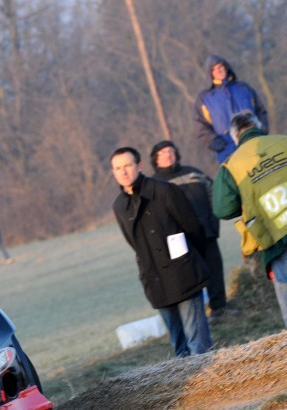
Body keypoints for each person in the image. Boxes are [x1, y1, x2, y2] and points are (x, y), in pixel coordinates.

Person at [110, 147, 212, 357]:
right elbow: (134, 243)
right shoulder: (119, 205)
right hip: (155, 279)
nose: (124, 172)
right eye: (118, 168)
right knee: (179, 347)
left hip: (183, 274)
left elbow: (193, 227)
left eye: (128, 165)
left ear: (139, 166)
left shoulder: (164, 191)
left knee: (198, 344)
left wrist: (189, 260)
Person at [212, 111, 287, 328]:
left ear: (235, 138)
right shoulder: (283, 141)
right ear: (259, 125)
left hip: (276, 240)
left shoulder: (231, 165)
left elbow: (223, 208)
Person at [149, 140, 228, 318]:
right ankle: (197, 315)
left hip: (206, 232)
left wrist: (213, 222)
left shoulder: (194, 173)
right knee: (190, 278)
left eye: (170, 151)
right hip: (180, 241)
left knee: (214, 270)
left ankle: (220, 308)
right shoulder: (154, 184)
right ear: (155, 159)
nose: (168, 155)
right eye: (162, 153)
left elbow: (213, 193)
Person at [193, 55, 269, 165]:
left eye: (220, 67)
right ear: (210, 73)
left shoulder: (243, 88)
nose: (218, 70)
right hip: (226, 145)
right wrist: (214, 142)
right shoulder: (204, 98)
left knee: (262, 169)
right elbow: (200, 125)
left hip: (252, 135)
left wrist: (263, 129)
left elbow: (260, 110)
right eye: (214, 69)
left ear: (226, 67)